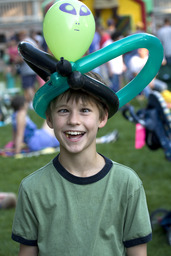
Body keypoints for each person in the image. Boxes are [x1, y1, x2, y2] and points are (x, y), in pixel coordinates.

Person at [12, 70, 152, 256]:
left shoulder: (127, 184)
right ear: (49, 119)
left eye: (85, 110)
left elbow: (137, 252)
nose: (73, 121)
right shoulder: (32, 188)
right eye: (63, 110)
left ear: (102, 118)